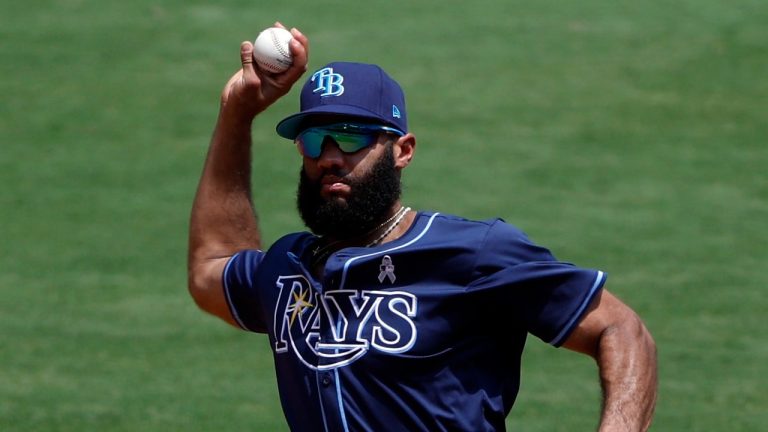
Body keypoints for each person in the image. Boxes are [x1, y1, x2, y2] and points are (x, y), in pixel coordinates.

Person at [188, 24, 657, 432]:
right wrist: (238, 112)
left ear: (402, 150)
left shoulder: (471, 253)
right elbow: (211, 269)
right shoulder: (287, 268)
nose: (330, 156)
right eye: (314, 140)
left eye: (351, 137)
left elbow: (621, 329)